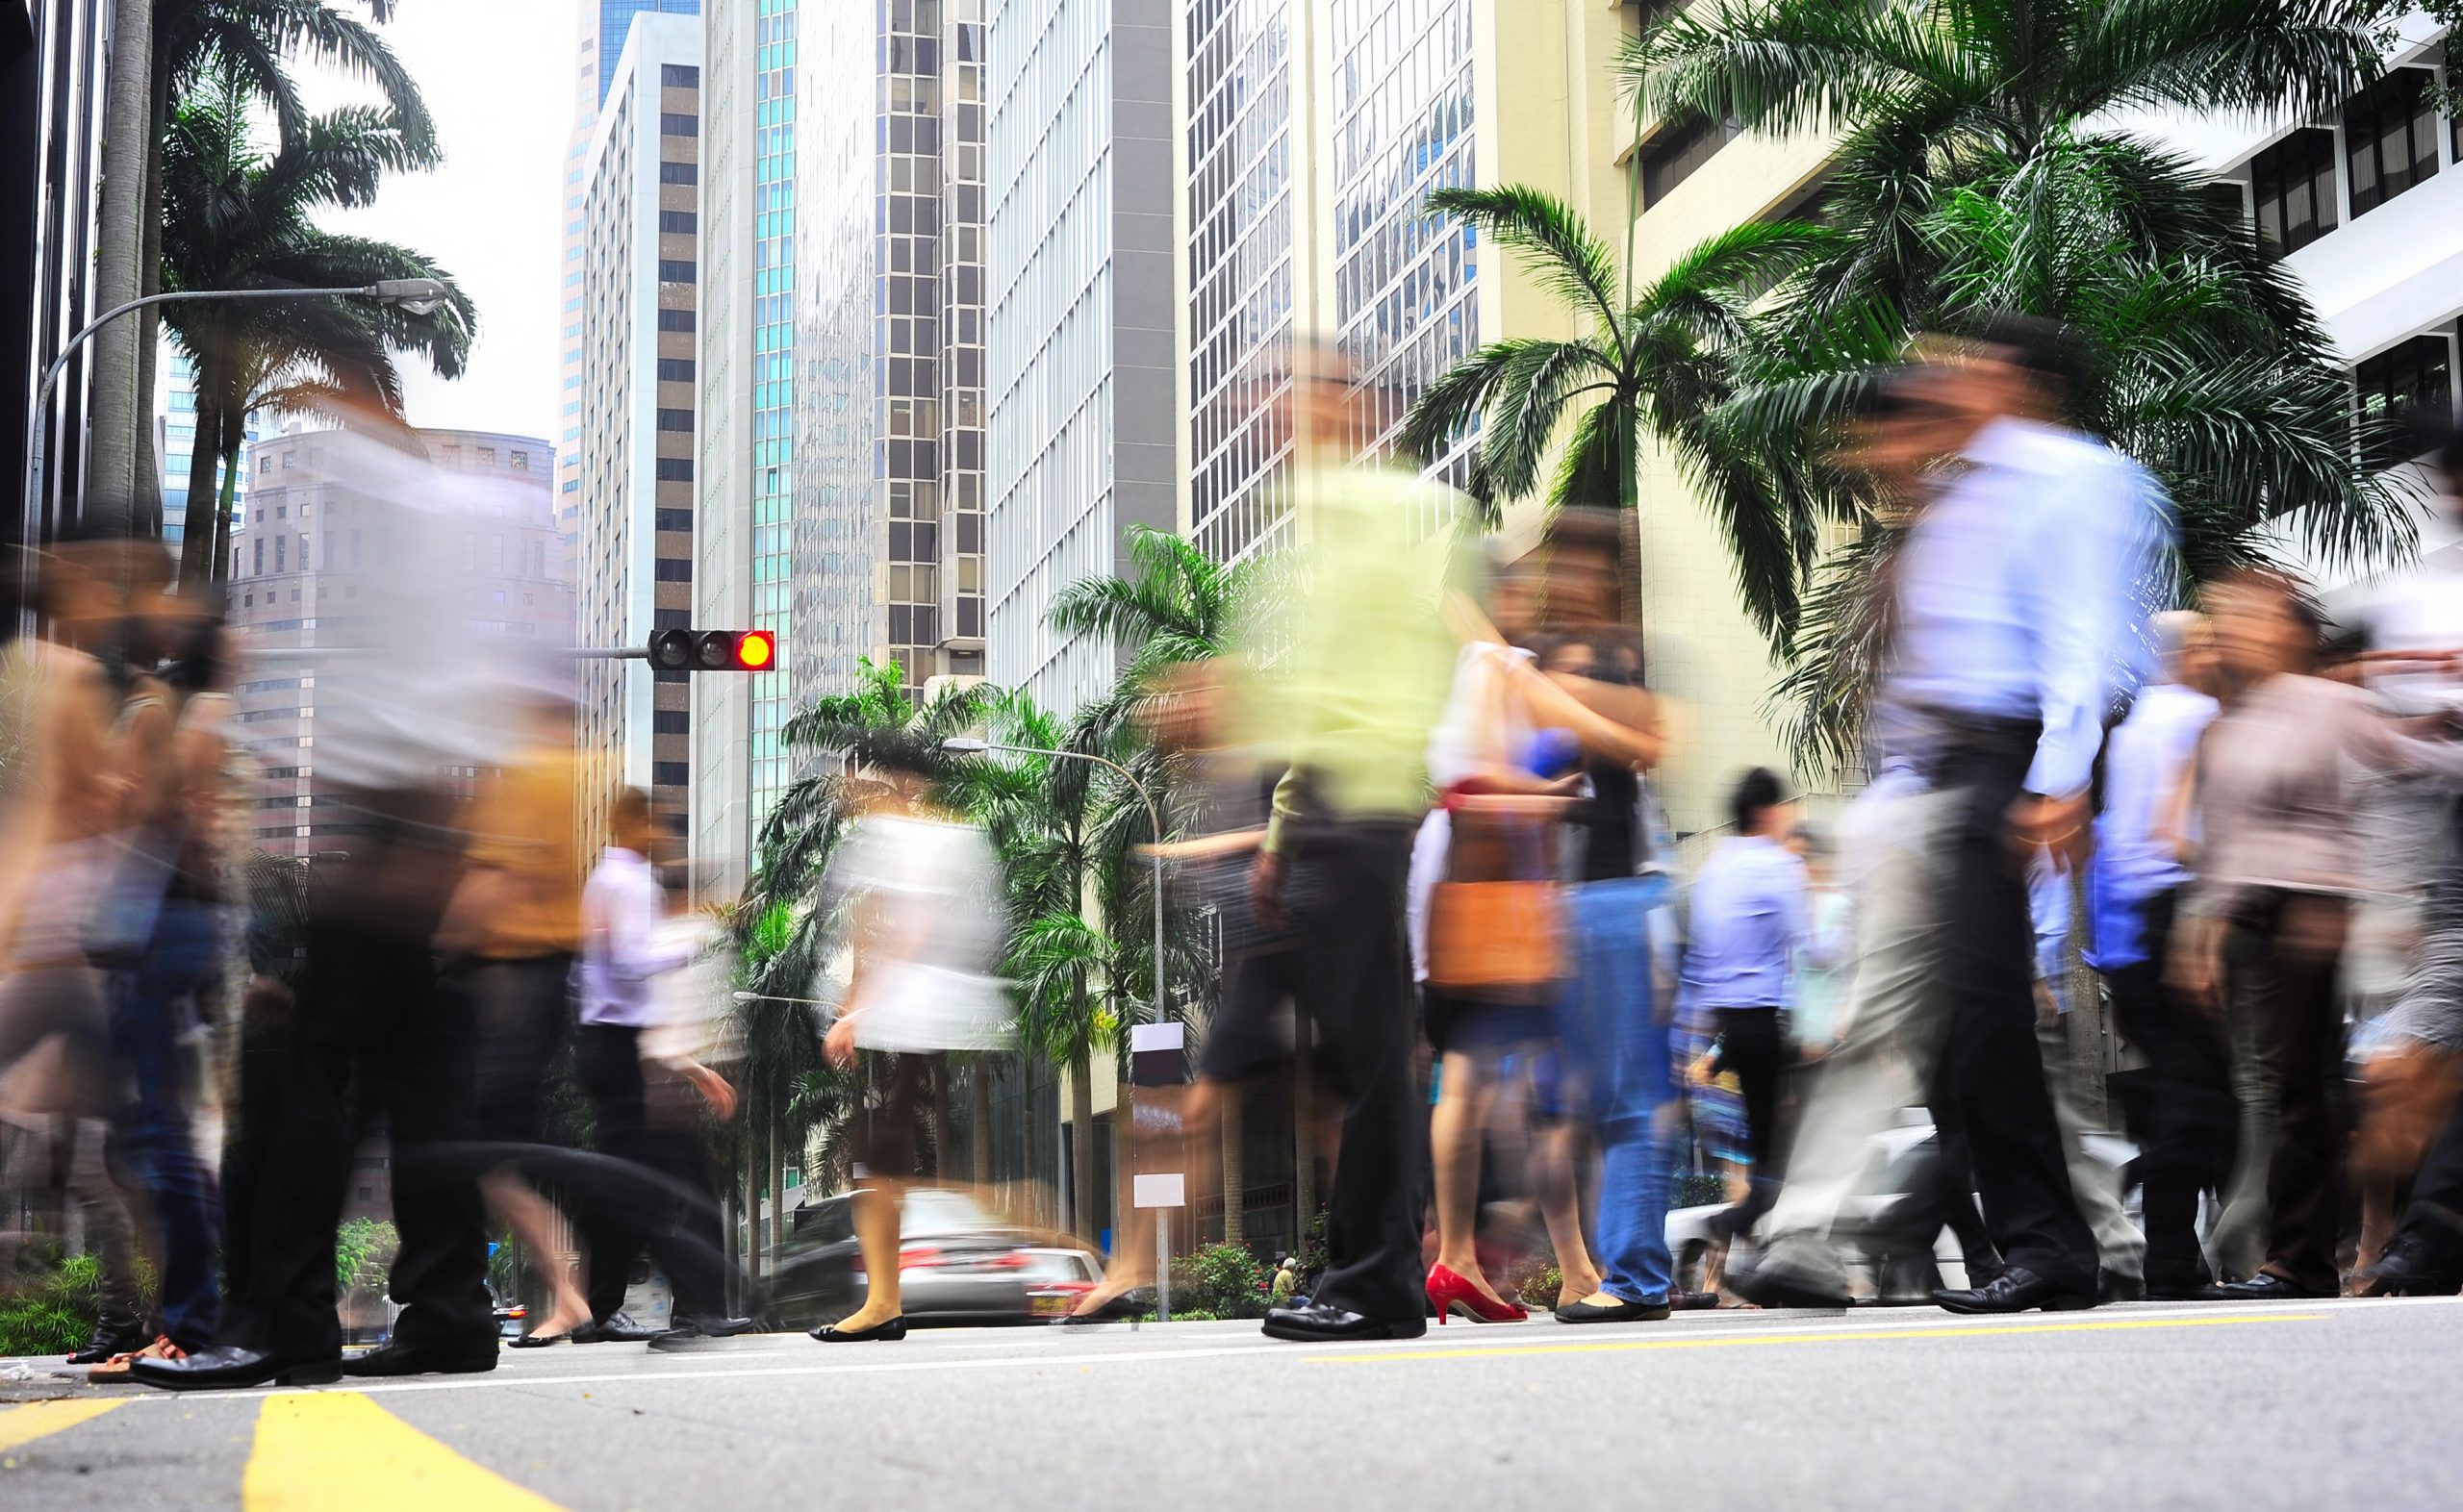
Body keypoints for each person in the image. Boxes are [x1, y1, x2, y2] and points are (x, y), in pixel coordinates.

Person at [1732, 319, 2164, 1316]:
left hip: (2002, 766)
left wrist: (2056, 780)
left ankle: (2057, 1247)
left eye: (1962, 364)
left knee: (1984, 1021)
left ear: (2012, 378)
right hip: (1941, 782)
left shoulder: (2070, 480)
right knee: (1979, 1023)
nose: (1945, 379)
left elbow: (2082, 640)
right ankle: (2068, 1242)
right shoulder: (1964, 494)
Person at [140, 412, 505, 1391]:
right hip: (407, 839)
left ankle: (285, 1320)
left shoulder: (412, 533)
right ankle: (450, 1311)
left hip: (396, 837)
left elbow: (431, 707)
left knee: (296, 1080)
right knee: (416, 1096)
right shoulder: (449, 534)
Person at [2170, 568, 2463, 1299]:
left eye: (2252, 615)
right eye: (2225, 615)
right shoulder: (2232, 723)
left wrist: (2443, 724)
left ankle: (2298, 1259)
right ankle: (2305, 1253)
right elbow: (2222, 846)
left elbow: (2415, 767)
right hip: (2252, 925)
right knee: (2284, 1095)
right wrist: (2200, 931)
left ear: (2294, 632)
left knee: (2310, 1098)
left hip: (2317, 915)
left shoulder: (2332, 704)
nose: (2235, 627)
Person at [813, 771, 1011, 1343]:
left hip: (923, 1007)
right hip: (918, 1009)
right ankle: (883, 1303)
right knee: (878, 1164)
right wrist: (856, 1002)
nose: (854, 799)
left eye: (862, 788)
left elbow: (916, 932)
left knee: (876, 1165)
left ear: (896, 784)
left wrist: (856, 1012)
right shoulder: (926, 839)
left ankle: (884, 1303)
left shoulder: (917, 842)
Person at [436, 687, 592, 1346]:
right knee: (496, 1156)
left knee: (488, 1157)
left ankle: (567, 1292)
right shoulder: (586, 771)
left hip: (509, 981)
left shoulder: (528, 774)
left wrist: (438, 949)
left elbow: (494, 880)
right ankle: (563, 1292)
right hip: (548, 977)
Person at [571, 787, 750, 1348]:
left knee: (637, 1184)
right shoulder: (627, 881)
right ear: (633, 823)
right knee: (663, 1186)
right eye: (658, 824)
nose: (665, 836)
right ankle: (698, 1308)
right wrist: (689, 948)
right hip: (621, 1046)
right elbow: (628, 962)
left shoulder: (612, 878)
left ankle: (602, 1308)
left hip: (613, 1044)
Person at [2085, 611, 2228, 1298]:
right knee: (2204, 1095)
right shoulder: (2200, 717)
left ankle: (2176, 1256)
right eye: (2204, 641)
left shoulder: (2132, 730)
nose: (2214, 651)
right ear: (2183, 654)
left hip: (2130, 937)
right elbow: (2188, 837)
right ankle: (2176, 1250)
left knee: (2186, 1090)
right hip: (2182, 915)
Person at [1679, 769, 1810, 1248]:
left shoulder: (1712, 870)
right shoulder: (1776, 865)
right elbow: (1811, 944)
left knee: (1760, 1147)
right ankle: (1729, 1226)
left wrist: (1694, 1038)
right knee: (1775, 1153)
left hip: (1727, 1025)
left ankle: (1742, 1235)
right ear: (1764, 812)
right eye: (1784, 807)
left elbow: (1699, 961)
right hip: (1767, 1020)